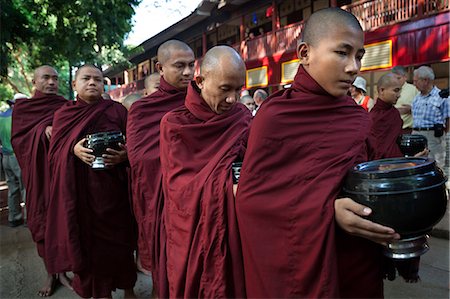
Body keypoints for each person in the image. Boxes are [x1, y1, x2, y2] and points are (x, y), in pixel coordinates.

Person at [236, 8, 399, 298]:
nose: (354, 67)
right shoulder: (274, 117)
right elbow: (253, 202)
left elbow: (367, 183)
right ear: (304, 53)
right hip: (298, 265)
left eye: (359, 56)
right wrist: (328, 211)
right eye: (342, 53)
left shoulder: (358, 117)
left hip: (356, 259)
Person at [160, 45, 251, 298]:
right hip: (190, 228)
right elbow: (180, 187)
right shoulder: (175, 123)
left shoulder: (242, 117)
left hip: (234, 223)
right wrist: (226, 186)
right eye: (225, 89)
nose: (233, 99)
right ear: (200, 81)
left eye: (238, 89)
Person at [45, 65, 137, 298]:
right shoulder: (64, 115)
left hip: (114, 192)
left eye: (98, 79)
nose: (93, 83)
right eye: (86, 79)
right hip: (82, 196)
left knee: (122, 243)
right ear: (75, 84)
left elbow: (136, 146)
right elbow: (54, 155)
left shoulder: (117, 111)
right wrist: (72, 150)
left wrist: (125, 155)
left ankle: (128, 288)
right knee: (91, 250)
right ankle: (101, 293)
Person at [126, 40, 195, 297]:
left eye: (191, 65)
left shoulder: (203, 100)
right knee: (163, 260)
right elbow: (140, 157)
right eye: (179, 66)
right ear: (161, 67)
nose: (188, 72)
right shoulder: (143, 109)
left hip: (196, 196)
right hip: (160, 197)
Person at [11, 66, 72, 297]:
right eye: (45, 78)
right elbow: (19, 140)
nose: (51, 82)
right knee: (42, 221)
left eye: (55, 78)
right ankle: (50, 274)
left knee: (62, 221)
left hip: (61, 176)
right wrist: (41, 130)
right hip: (38, 176)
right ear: (34, 81)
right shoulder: (24, 108)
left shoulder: (65, 105)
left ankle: (63, 271)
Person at [412, 65, 449, 169]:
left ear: (426, 80)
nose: (414, 84)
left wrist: (444, 136)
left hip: (433, 136)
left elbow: (448, 119)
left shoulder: (442, 97)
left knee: (435, 165)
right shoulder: (416, 98)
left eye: (416, 81)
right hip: (416, 135)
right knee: (417, 164)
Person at [1, 94, 26, 228]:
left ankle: (14, 217)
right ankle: (28, 217)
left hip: (5, 157)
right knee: (26, 187)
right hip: (18, 157)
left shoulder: (1, 116)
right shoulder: (18, 117)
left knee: (12, 188)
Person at [369, 73, 404, 159]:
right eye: (396, 90)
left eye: (399, 91)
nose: (399, 95)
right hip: (378, 164)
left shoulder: (395, 113)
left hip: (397, 163)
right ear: (382, 90)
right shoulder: (373, 116)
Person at [392, 66, 419, 134]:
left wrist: (412, 109)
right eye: (394, 78)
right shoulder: (389, 89)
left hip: (407, 129)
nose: (396, 81)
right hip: (392, 129)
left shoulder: (413, 90)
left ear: (405, 77)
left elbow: (422, 107)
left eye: (398, 78)